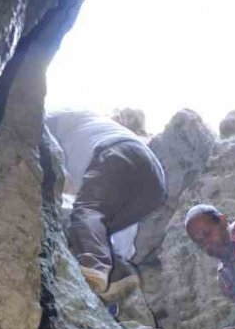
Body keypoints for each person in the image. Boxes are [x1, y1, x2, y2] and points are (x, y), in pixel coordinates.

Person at [47, 109, 167, 296]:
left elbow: (29, 131)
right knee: (92, 226)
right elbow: (120, 227)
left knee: (86, 212)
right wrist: (122, 255)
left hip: (115, 151)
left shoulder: (51, 118)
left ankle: (94, 269)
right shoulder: (92, 126)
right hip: (154, 185)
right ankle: (120, 273)